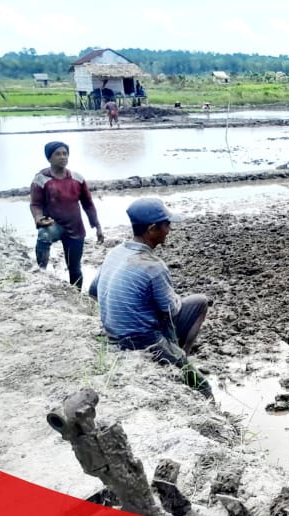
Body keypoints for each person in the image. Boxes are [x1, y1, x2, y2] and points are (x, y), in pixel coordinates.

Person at [88, 197, 212, 397]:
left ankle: (176, 354)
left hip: (112, 331)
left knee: (198, 302)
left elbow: (93, 291)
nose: (169, 230)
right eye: (167, 225)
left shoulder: (115, 253)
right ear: (153, 229)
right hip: (141, 341)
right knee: (203, 388)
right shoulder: (153, 266)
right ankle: (180, 358)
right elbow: (172, 310)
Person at [30, 141, 104, 289]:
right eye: (58, 154)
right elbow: (35, 204)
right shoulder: (41, 179)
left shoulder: (77, 178)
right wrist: (39, 218)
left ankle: (76, 294)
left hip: (75, 228)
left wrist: (97, 226)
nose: (62, 157)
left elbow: (88, 204)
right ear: (49, 158)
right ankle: (41, 271)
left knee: (75, 268)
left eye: (65, 154)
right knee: (44, 235)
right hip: (54, 225)